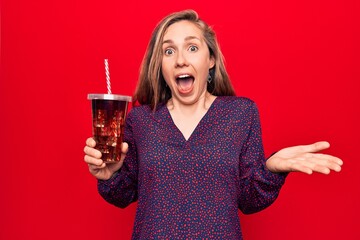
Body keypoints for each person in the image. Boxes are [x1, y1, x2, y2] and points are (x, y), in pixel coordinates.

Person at [84, 9, 343, 239]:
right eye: (169, 51)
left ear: (210, 60)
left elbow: (249, 201)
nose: (180, 60)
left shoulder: (240, 114)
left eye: (192, 48)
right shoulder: (141, 120)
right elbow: (122, 195)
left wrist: (272, 169)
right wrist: (110, 175)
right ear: (160, 65)